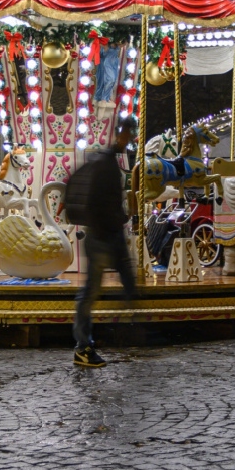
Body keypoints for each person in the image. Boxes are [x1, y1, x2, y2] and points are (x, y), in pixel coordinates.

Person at [72, 116, 138, 368]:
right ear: (118, 134)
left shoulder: (105, 162)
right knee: (89, 293)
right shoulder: (106, 165)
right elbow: (101, 204)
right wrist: (117, 220)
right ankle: (82, 345)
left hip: (102, 234)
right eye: (127, 135)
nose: (129, 140)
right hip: (102, 236)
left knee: (90, 292)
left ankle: (84, 343)